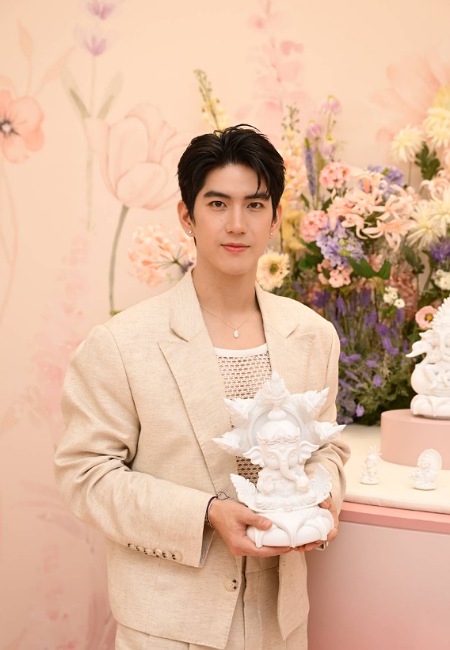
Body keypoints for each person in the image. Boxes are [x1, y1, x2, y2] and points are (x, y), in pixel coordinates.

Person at [55, 124, 350, 650]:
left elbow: (328, 449)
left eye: (255, 205)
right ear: (187, 216)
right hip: (169, 627)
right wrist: (207, 514)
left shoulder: (313, 336)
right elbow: (86, 476)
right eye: (217, 204)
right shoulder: (121, 344)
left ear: (275, 219)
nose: (236, 224)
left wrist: (319, 497)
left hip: (282, 624)